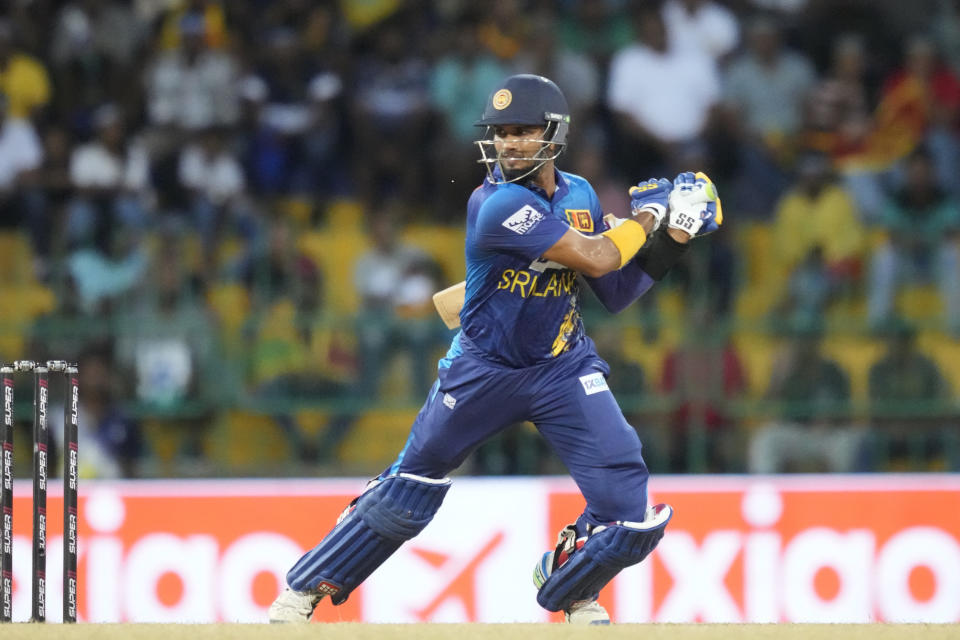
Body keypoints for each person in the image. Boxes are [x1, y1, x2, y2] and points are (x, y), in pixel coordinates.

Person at [268, 74, 721, 625]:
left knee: (629, 510)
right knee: (409, 488)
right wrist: (651, 217)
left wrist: (675, 238)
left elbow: (617, 291)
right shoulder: (496, 203)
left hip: (562, 365)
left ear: (554, 135)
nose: (509, 143)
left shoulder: (578, 194)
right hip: (483, 367)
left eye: (523, 132)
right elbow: (601, 258)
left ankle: (571, 585)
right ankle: (306, 588)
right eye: (501, 132)